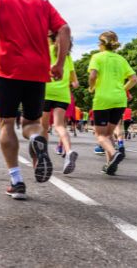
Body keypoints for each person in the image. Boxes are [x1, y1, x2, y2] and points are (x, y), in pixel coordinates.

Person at [0, 0, 70, 199]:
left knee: (6, 123)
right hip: (37, 72)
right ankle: (37, 138)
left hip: (9, 71)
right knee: (32, 122)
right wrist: (59, 63)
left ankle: (16, 181)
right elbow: (64, 29)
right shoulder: (42, 1)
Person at [88, 31, 137, 175]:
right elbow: (134, 79)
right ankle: (110, 165)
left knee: (101, 136)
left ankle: (113, 153)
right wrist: (122, 89)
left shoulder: (97, 57)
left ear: (102, 44)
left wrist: (92, 87)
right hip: (119, 100)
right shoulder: (121, 59)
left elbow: (93, 75)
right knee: (109, 134)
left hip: (103, 99)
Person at [41, 33, 79, 174]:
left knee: (44, 128)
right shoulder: (67, 56)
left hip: (45, 92)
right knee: (59, 126)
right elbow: (75, 82)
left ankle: (43, 156)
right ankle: (68, 151)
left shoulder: (44, 50)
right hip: (63, 95)